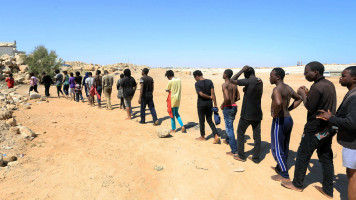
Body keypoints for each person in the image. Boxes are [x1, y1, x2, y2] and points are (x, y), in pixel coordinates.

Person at [281, 61, 337, 199]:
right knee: (325, 157)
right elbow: (318, 102)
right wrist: (308, 94)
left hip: (314, 128)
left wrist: (302, 94)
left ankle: (297, 184)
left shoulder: (317, 87)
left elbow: (311, 107)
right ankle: (328, 190)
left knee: (302, 155)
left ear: (316, 72)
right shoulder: (329, 84)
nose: (305, 74)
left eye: (307, 72)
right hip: (327, 129)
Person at [317, 66, 356, 200]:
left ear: (354, 78)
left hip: (353, 144)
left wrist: (331, 118)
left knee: (352, 177)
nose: (340, 77)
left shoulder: (354, 97)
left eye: (344, 75)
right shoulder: (352, 93)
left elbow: (352, 123)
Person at [269, 67, 302, 181]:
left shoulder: (277, 89)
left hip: (280, 120)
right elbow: (299, 98)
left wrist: (275, 113)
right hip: (288, 119)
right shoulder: (288, 88)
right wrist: (288, 109)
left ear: (278, 77)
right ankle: (280, 166)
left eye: (271, 76)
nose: (270, 78)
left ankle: (284, 174)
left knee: (276, 148)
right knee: (284, 145)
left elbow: (278, 102)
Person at [230, 66, 263, 163]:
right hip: (257, 113)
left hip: (247, 113)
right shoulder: (259, 80)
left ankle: (241, 155)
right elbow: (252, 90)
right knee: (257, 136)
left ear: (246, 73)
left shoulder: (248, 81)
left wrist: (241, 70)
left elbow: (232, 80)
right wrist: (246, 89)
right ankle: (256, 158)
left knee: (240, 133)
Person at [193, 70, 220, 143]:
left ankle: (202, 137)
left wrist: (209, 97)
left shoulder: (197, 84)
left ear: (197, 76)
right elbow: (213, 93)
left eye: (195, 77)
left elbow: (201, 94)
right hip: (209, 104)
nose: (195, 79)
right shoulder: (210, 81)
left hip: (201, 104)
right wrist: (215, 104)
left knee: (202, 120)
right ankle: (216, 135)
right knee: (209, 120)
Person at [221, 69, 239, 154]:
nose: (223, 74)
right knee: (230, 124)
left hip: (228, 107)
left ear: (226, 75)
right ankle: (228, 140)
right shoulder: (234, 85)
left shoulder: (225, 85)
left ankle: (234, 150)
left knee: (229, 128)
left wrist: (222, 105)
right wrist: (233, 101)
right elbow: (238, 97)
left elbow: (227, 98)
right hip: (234, 106)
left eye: (224, 73)